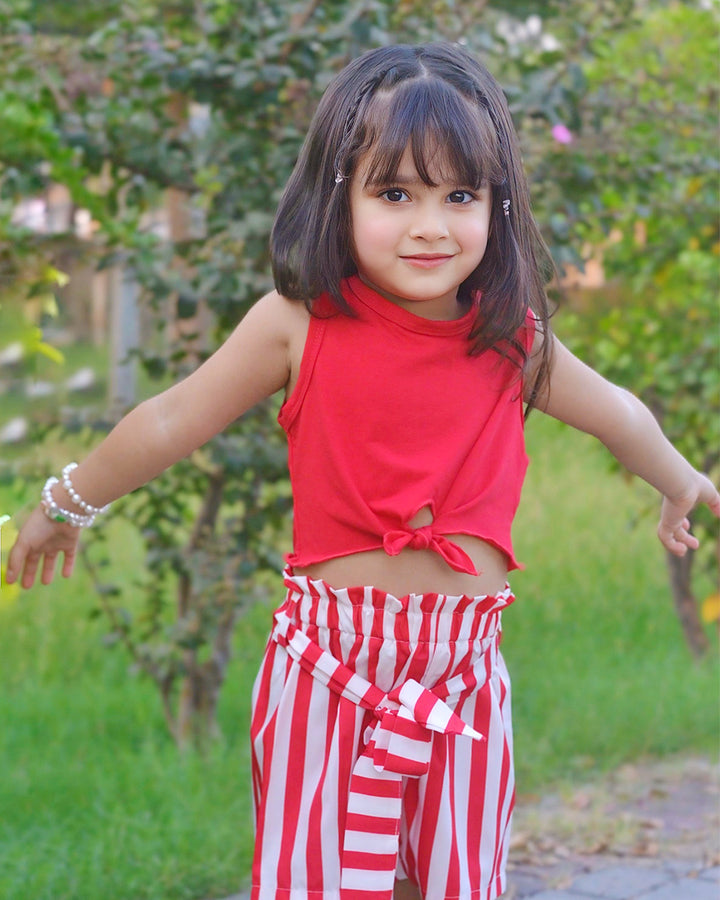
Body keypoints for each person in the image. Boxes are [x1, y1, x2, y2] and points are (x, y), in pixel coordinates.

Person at [5, 42, 719, 900]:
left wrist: (678, 478)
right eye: (394, 194)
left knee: (452, 879)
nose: (430, 225)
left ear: (498, 203)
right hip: (326, 675)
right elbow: (168, 419)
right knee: (318, 881)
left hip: (462, 679)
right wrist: (67, 501)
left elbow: (619, 413)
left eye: (460, 196)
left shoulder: (510, 336)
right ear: (337, 194)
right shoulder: (298, 325)